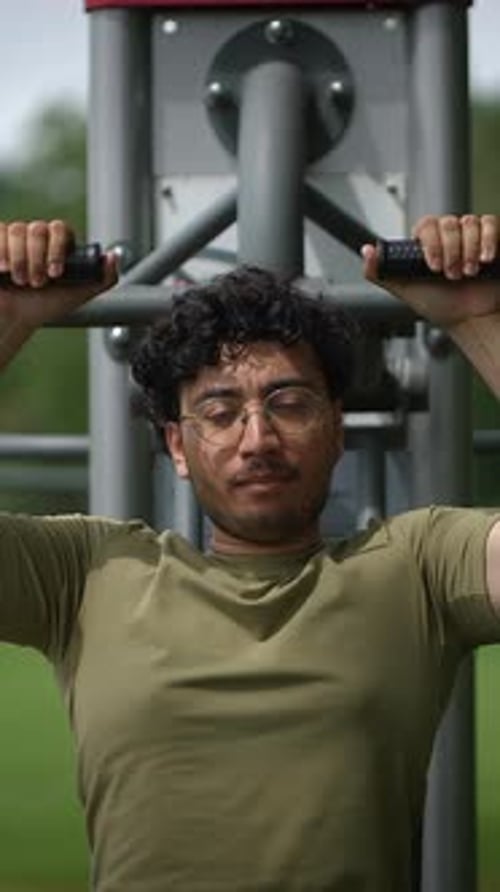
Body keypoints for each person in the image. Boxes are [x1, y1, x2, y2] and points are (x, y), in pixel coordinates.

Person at [0, 213, 500, 892]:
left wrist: (479, 320)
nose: (257, 436)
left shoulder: (420, 568)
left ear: (335, 427)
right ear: (177, 446)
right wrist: (8, 320)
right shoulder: (87, 574)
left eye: (289, 402)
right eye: (219, 410)